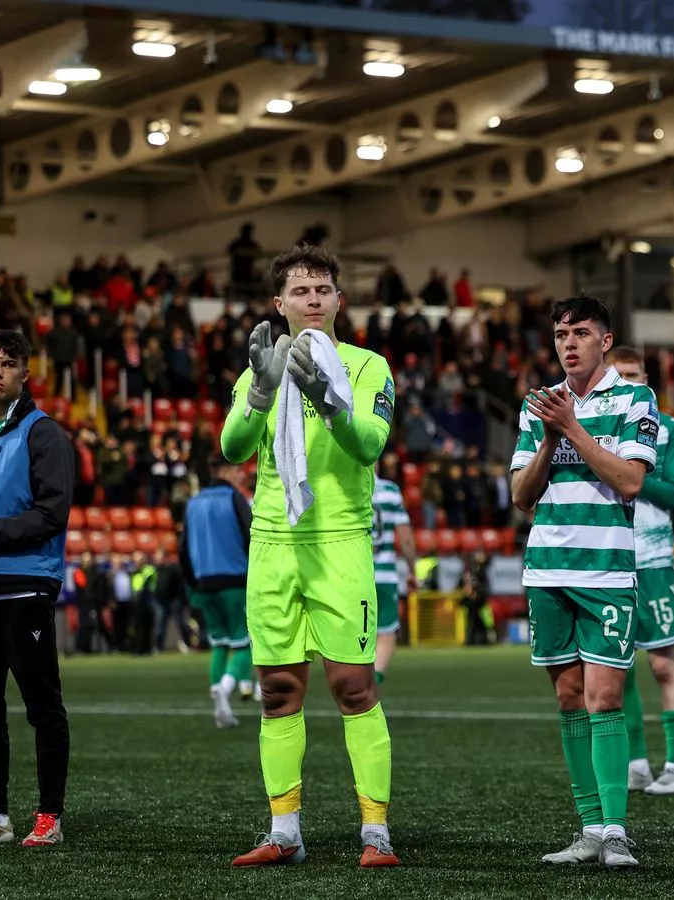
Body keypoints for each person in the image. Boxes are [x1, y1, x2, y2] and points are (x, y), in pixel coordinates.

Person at [220, 244, 400, 868]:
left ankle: (375, 833)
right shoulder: (256, 370)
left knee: (354, 685)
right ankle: (284, 832)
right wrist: (263, 395)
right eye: (300, 291)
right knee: (275, 691)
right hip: (272, 544)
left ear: (339, 301)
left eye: (323, 290)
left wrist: (327, 397)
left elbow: (370, 445)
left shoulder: (368, 366)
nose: (313, 300)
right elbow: (233, 445)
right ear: (280, 304)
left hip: (340, 542)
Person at [510, 295, 659, 870]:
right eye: (561, 333)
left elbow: (630, 480)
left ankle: (617, 831)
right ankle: (589, 829)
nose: (568, 342)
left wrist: (571, 426)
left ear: (605, 339)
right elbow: (523, 496)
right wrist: (550, 436)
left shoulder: (634, 397)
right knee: (569, 697)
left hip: (606, 571)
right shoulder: (538, 405)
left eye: (580, 332)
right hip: (547, 568)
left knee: (605, 697)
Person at [0, 330, 75, 847]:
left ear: (25, 373)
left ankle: (50, 815)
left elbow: (51, 513)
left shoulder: (43, 433)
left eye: (7, 362)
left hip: (25, 587)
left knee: (42, 707)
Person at [605, 346, 674, 797]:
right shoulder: (596, 424)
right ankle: (637, 764)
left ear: (647, 380)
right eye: (618, 375)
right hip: (610, 556)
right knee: (618, 669)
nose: (627, 382)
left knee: (662, 664)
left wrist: (627, 474)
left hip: (654, 559)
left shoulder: (669, 429)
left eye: (634, 375)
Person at [180, 452, 254, 729]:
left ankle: (219, 707)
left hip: (204, 584)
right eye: (237, 471)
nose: (241, 475)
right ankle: (225, 687)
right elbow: (251, 537)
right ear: (225, 471)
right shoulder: (234, 499)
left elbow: (183, 549)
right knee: (246, 644)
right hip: (235, 582)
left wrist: (193, 584)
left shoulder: (193, 504)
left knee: (220, 644)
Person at [371, 466, 418, 685]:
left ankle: (355, 680)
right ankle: (375, 679)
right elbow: (406, 538)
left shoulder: (346, 487)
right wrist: (412, 570)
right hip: (385, 575)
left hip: (354, 574)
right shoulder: (390, 490)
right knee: (386, 632)